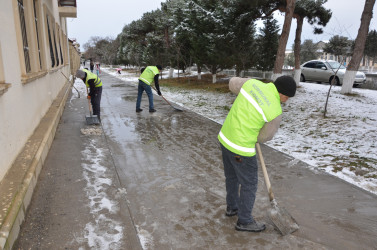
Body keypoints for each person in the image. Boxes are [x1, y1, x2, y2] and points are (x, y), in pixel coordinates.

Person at [218, 75, 296, 232]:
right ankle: (244, 220)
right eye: (287, 97)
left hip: (225, 139)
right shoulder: (275, 111)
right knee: (250, 183)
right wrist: (254, 135)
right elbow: (264, 137)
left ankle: (232, 208)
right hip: (241, 149)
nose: (286, 100)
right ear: (282, 94)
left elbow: (233, 83)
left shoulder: (252, 83)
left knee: (232, 177)